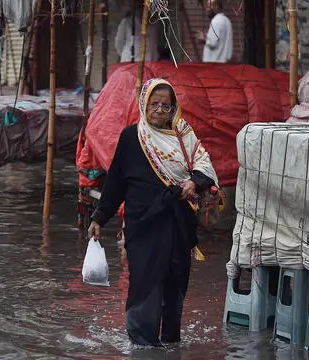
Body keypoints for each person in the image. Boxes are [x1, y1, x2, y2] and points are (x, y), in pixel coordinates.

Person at [87, 78, 218, 347]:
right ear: (144, 104)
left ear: (174, 108)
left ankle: (170, 341)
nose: (160, 110)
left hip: (178, 223)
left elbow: (204, 164)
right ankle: (143, 345)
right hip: (144, 224)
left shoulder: (183, 135)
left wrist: (193, 181)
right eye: (154, 104)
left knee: (175, 280)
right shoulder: (131, 137)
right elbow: (115, 184)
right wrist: (99, 217)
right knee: (146, 281)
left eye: (166, 106)